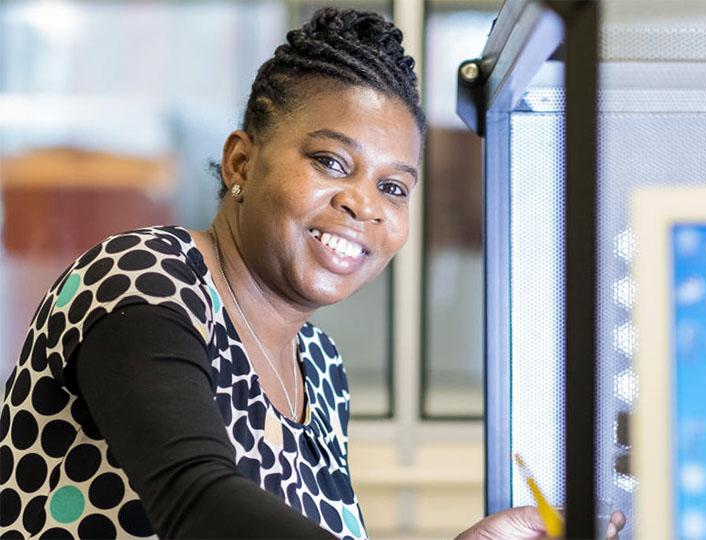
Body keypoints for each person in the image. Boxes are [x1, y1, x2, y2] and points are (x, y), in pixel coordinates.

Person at [0, 7, 625, 539]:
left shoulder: (321, 372)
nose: (365, 204)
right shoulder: (146, 278)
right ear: (241, 162)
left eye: (394, 187)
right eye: (330, 161)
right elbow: (196, 502)